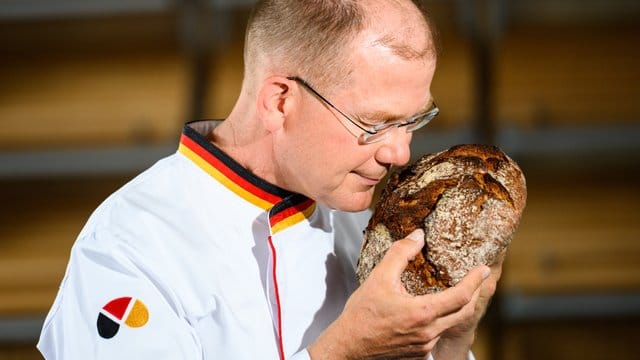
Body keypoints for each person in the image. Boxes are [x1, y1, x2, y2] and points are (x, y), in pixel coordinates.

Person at [38, 0, 502, 359]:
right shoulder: (130, 245)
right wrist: (345, 350)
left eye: (413, 121)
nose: (399, 153)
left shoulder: (371, 228)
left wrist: (450, 343)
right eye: (373, 123)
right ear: (280, 101)